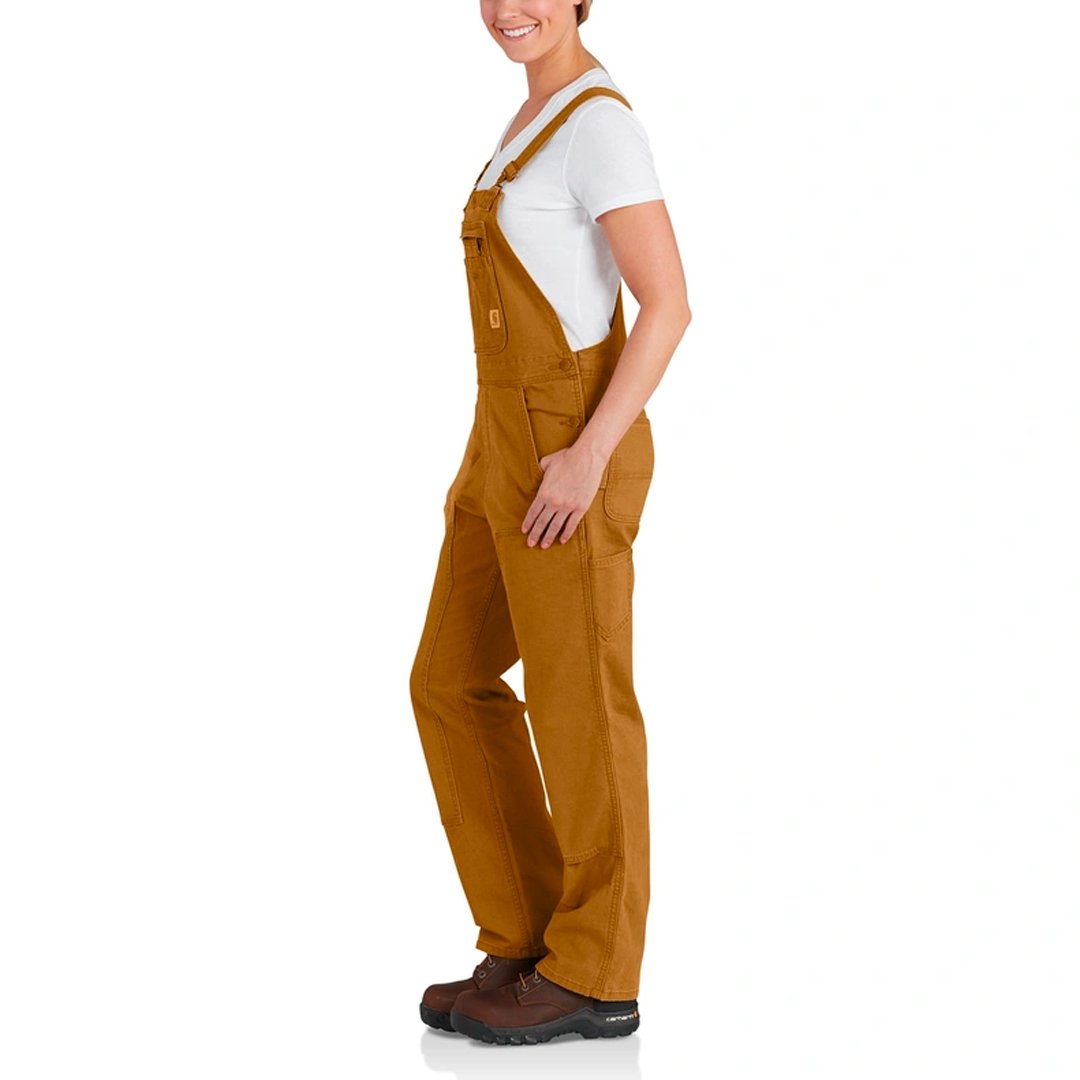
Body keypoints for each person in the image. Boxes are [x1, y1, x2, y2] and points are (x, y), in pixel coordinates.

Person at [410, 0, 691, 1046]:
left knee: (581, 707)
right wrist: (498, 449)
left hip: (568, 443)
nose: (506, 10)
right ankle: (530, 937)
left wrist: (586, 454)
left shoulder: (598, 123)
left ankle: (597, 972)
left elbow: (667, 305)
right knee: (448, 679)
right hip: (499, 442)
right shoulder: (529, 120)